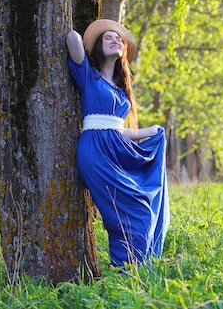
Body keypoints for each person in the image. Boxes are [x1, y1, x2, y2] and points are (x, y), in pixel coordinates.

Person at [66, 18, 169, 267]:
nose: (115, 41)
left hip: (117, 149)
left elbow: (119, 130)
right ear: (99, 46)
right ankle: (126, 270)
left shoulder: (121, 91)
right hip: (95, 151)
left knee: (142, 209)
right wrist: (90, 31)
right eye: (108, 37)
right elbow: (72, 38)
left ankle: (136, 269)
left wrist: (151, 131)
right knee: (125, 214)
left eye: (119, 39)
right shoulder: (88, 75)